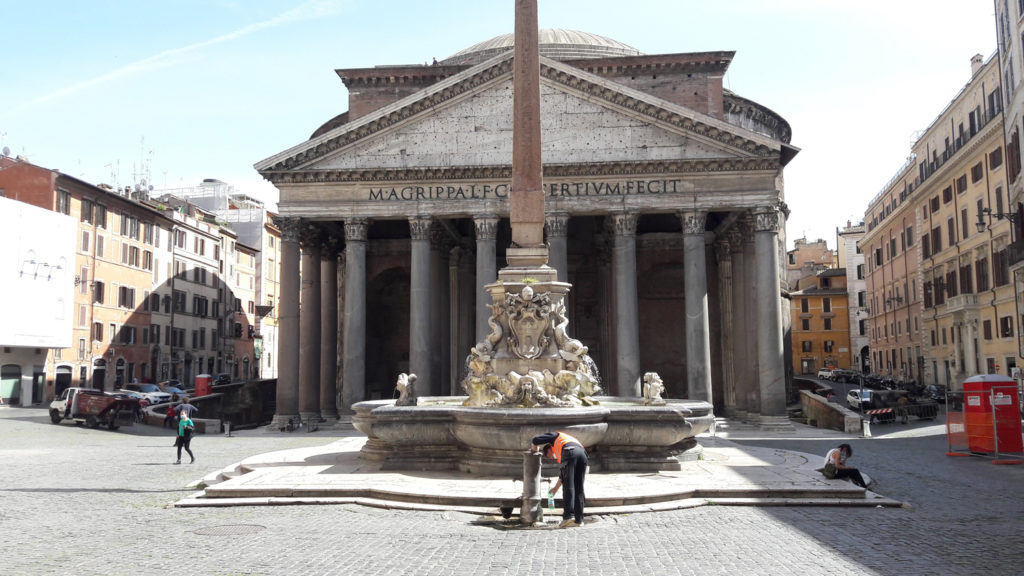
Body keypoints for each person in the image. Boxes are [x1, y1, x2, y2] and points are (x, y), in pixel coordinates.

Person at [531, 431, 588, 528]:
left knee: (568, 486)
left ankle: (568, 516)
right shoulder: (563, 443)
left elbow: (535, 440)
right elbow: (563, 474)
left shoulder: (555, 436)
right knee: (579, 488)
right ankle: (579, 520)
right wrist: (555, 489)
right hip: (583, 454)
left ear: (549, 449)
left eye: (548, 455)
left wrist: (534, 451)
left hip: (570, 451)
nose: (552, 457)